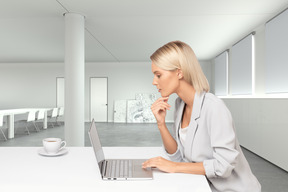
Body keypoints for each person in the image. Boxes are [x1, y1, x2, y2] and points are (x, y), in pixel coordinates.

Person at [142, 41, 261, 192]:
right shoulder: (180, 105)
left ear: (179, 72)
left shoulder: (213, 107)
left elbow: (223, 166)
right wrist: (161, 124)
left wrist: (174, 167)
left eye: (158, 75)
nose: (154, 82)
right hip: (202, 185)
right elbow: (179, 157)